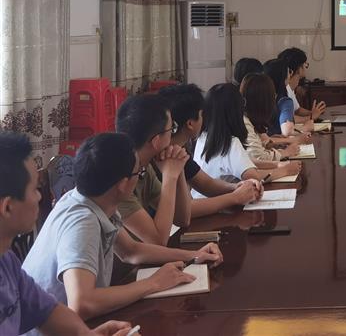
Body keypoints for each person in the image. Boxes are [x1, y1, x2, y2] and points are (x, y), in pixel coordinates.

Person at [22, 133, 223, 323]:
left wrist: (192, 255)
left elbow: (131, 251)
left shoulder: (94, 200)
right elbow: (81, 303)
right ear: (123, 184)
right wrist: (154, 283)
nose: (139, 177)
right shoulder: (82, 222)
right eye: (139, 172)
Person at [0, 132, 133, 336]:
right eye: (35, 189)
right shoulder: (82, 219)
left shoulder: (6, 261)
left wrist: (88, 335)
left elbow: (48, 313)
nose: (39, 197)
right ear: (7, 207)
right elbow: (81, 302)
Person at [156, 85, 263, 216]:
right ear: (190, 123)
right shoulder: (161, 157)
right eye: (202, 115)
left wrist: (238, 187)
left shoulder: (178, 151)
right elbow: (186, 211)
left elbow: (206, 184)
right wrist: (235, 197)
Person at [193, 83, 300, 193]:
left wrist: (276, 164)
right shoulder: (230, 143)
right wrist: (286, 170)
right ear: (235, 112)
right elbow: (254, 177)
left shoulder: (203, 137)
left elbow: (243, 162)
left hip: (202, 199)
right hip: (223, 202)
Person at [114, 94, 192, 245]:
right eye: (172, 129)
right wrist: (170, 176)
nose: (172, 135)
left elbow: (182, 219)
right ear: (156, 141)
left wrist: (178, 168)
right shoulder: (118, 180)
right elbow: (158, 241)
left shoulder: (143, 166)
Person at [240, 73, 302, 163]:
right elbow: (258, 158)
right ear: (263, 101)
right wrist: (285, 152)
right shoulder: (244, 122)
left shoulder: (251, 118)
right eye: (272, 96)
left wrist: (270, 144)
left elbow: (258, 146)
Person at [277, 48, 326, 121]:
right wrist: (311, 117)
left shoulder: (291, 88)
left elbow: (297, 110)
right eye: (305, 64)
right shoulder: (284, 89)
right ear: (298, 68)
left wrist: (313, 113)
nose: (306, 67)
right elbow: (288, 119)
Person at [263, 58, 306, 136]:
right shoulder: (285, 101)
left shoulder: (261, 98)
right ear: (283, 77)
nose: (291, 74)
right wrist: (306, 128)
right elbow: (287, 131)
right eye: (289, 71)